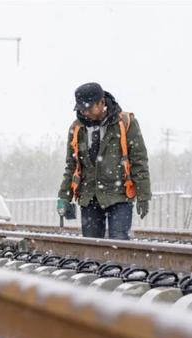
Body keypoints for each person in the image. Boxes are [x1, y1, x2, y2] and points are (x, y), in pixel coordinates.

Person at [57, 82, 151, 240]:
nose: (85, 112)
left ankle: (117, 265)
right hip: (89, 196)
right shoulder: (77, 129)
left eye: (89, 107)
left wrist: (143, 195)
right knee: (92, 246)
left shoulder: (126, 123)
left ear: (102, 102)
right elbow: (72, 166)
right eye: (81, 108)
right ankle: (96, 266)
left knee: (119, 243)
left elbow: (139, 162)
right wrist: (64, 196)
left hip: (119, 195)